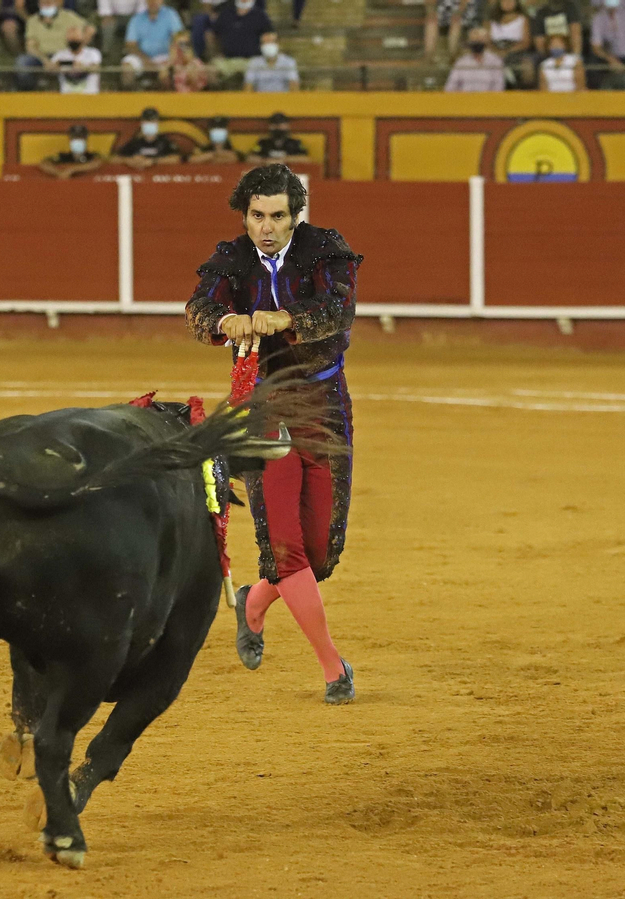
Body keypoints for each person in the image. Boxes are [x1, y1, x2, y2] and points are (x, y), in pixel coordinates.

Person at [185, 163, 363, 705]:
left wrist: (285, 319)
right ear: (245, 217)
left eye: (278, 216)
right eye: (257, 216)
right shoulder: (232, 259)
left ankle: (254, 602)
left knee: (319, 553)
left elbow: (337, 308)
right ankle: (334, 669)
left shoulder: (324, 250)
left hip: (325, 408)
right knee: (287, 548)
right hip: (266, 410)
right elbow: (198, 310)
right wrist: (224, 322)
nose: (267, 227)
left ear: (295, 216)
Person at [18, 0, 93, 90]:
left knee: (82, 62)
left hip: (65, 56)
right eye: (43, 3)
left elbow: (90, 30)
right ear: (39, 4)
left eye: (49, 3)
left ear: (56, 3)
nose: (46, 5)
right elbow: (30, 46)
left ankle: (75, 91)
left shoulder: (68, 16)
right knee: (22, 62)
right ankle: (28, 92)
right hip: (42, 57)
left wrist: (78, 47)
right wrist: (46, 61)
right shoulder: (33, 21)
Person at [207, 0, 270, 84]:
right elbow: (211, 34)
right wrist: (215, 53)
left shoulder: (260, 15)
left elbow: (269, 37)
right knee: (210, 70)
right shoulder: (225, 14)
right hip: (228, 61)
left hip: (252, 61)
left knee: (263, 70)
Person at [121, 0, 181, 86]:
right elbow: (130, 46)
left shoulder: (170, 15)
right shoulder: (136, 19)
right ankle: (127, 97)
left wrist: (170, 61)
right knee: (127, 67)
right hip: (143, 57)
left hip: (166, 56)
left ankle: (167, 98)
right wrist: (147, 61)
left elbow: (179, 39)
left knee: (166, 73)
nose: (153, 2)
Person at [113, 106, 183, 168]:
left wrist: (153, 161)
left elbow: (176, 159)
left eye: (152, 121)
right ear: (141, 123)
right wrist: (130, 161)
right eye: (147, 121)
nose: (149, 124)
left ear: (157, 123)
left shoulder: (165, 142)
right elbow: (114, 159)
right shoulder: (134, 143)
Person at [444, 25, 505, 90]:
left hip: (488, 99)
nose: (477, 43)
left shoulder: (495, 61)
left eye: (479, 40)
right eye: (474, 40)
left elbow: (499, 87)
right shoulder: (461, 62)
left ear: (487, 42)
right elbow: (450, 88)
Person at [48, 23, 99, 92]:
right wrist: (59, 64)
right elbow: (49, 69)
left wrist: (83, 67)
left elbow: (95, 68)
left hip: (89, 96)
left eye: (76, 38)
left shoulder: (93, 53)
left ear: (82, 38)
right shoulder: (60, 55)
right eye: (71, 39)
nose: (73, 40)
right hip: (67, 97)